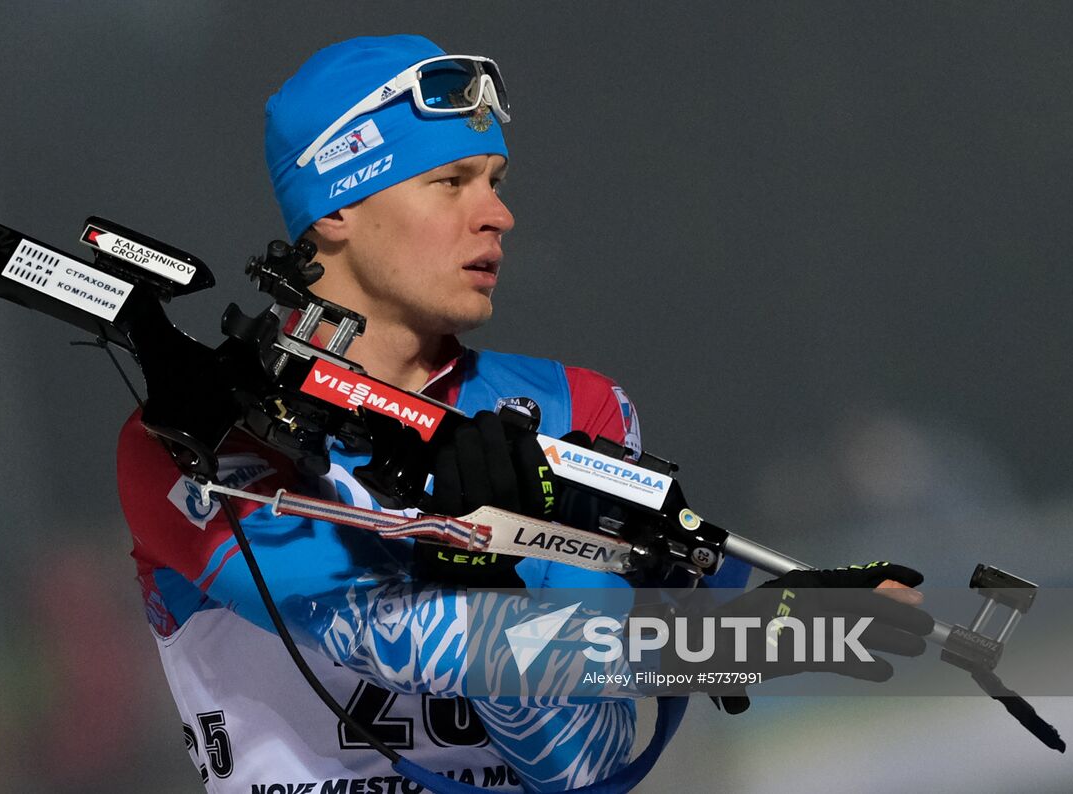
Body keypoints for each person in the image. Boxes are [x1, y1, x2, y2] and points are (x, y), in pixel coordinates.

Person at [116, 34, 927, 792]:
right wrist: (765, 638)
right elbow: (383, 634)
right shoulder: (189, 432)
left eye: (494, 183)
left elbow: (578, 767)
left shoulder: (577, 406)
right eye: (449, 183)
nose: (497, 216)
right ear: (336, 210)